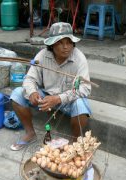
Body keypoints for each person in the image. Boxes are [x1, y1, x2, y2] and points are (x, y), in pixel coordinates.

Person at [10, 22, 92, 151]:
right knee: (17, 94)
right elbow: (29, 78)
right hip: (46, 98)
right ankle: (30, 133)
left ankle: (75, 142)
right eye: (60, 42)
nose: (66, 47)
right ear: (52, 45)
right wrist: (32, 92)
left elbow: (84, 88)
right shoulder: (42, 55)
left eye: (69, 42)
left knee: (81, 106)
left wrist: (59, 98)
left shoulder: (79, 58)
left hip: (69, 100)